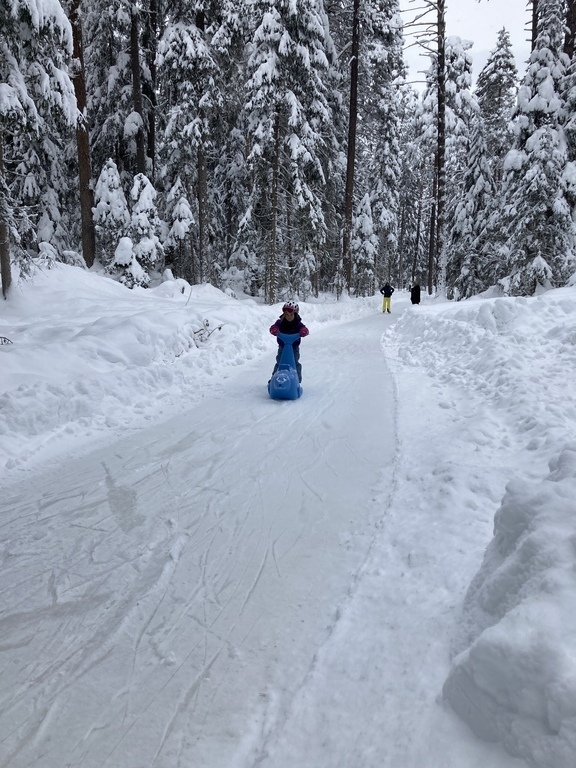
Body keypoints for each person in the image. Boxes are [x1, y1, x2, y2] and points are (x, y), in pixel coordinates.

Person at [269, 301, 309, 383]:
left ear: (295, 314)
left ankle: (297, 381)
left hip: (294, 347)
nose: (289, 317)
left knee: (294, 362)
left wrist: (303, 331)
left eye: (291, 315)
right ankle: (274, 379)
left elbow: (304, 329)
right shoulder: (280, 322)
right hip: (282, 347)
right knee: (279, 362)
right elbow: (274, 327)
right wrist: (274, 330)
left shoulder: (297, 323)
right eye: (287, 314)